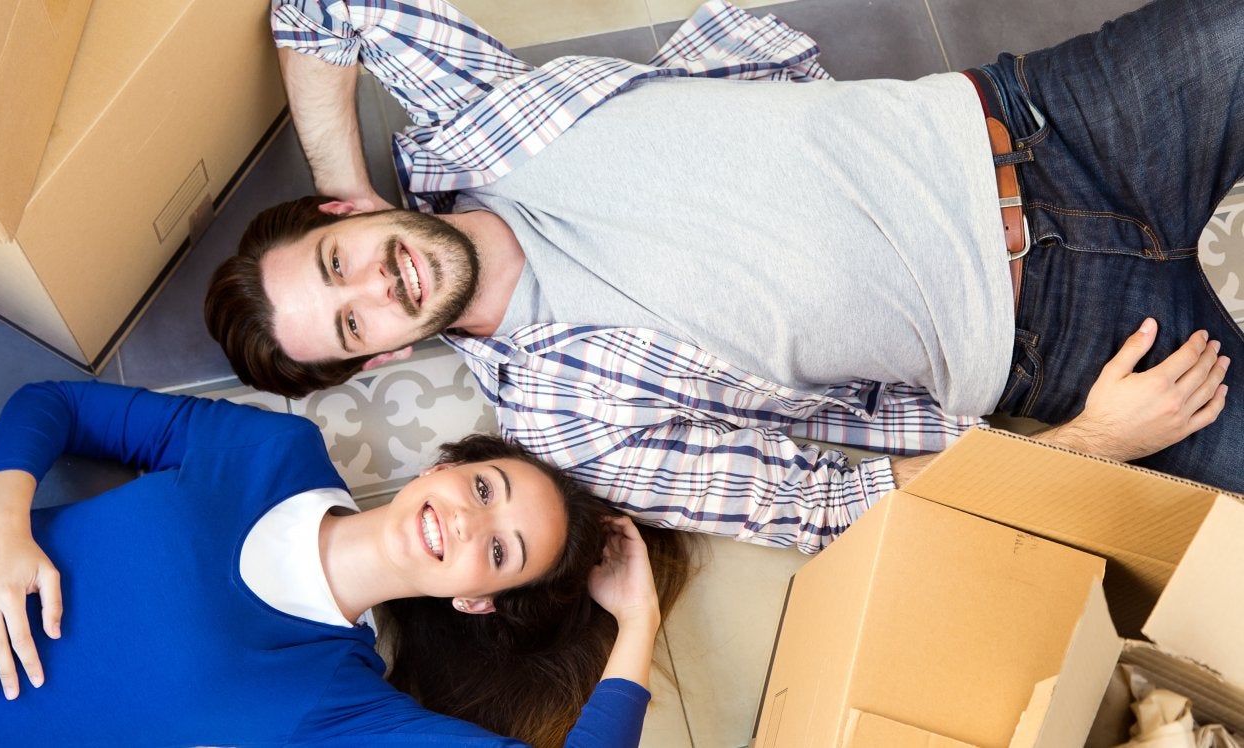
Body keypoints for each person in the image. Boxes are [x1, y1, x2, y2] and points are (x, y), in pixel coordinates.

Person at [205, 0, 1243, 551]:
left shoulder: (470, 122)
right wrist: (1088, 447)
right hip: (1074, 341)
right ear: (379, 353)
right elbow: (823, 507)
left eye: (339, 262)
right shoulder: (567, 424)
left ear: (343, 216)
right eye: (352, 326)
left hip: (1044, 122)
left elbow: (321, 4)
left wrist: (351, 190)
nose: (377, 286)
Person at [0, 380, 691, 747]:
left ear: (479, 600)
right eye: (484, 488)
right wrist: (2, 518)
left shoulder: (338, 705)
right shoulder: (274, 454)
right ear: (446, 466)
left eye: (500, 552)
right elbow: (55, 407)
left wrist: (635, 625)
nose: (464, 523)